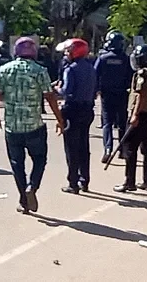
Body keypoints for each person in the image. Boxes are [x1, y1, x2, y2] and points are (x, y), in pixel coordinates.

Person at [0, 37, 65, 214]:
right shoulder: (40, 70)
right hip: (35, 126)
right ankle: (32, 187)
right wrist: (60, 120)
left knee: (17, 164)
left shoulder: (5, 69)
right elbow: (50, 97)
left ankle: (24, 201)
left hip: (12, 127)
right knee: (40, 159)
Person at [114, 45, 147, 193]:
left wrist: (135, 114)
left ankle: (129, 181)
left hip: (141, 114)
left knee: (130, 148)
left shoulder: (143, 74)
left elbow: (142, 95)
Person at [58, 38, 97, 194]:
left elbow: (66, 90)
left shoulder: (71, 69)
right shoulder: (91, 68)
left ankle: (73, 182)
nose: (66, 54)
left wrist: (58, 89)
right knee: (83, 146)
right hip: (87, 109)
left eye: (68, 51)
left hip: (72, 110)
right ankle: (84, 180)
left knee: (71, 148)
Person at [94, 30, 132, 163]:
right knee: (122, 124)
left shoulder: (103, 58)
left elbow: (95, 74)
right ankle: (122, 150)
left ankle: (108, 149)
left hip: (107, 95)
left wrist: (97, 90)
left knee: (107, 123)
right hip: (122, 94)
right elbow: (130, 77)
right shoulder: (126, 59)